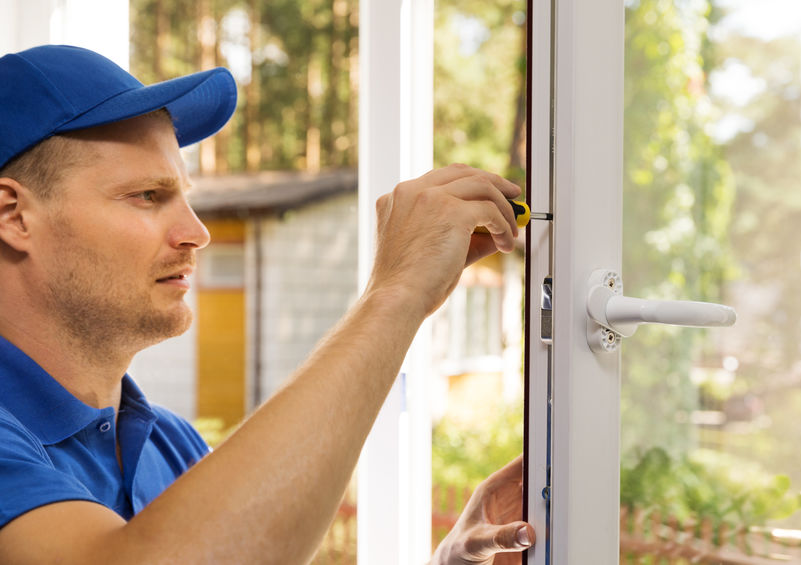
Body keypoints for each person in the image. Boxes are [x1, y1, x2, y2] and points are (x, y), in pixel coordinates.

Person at [0, 45, 535, 564]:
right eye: (147, 196)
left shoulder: (169, 444)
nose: (197, 232)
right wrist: (395, 294)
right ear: (14, 215)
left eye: (186, 197)